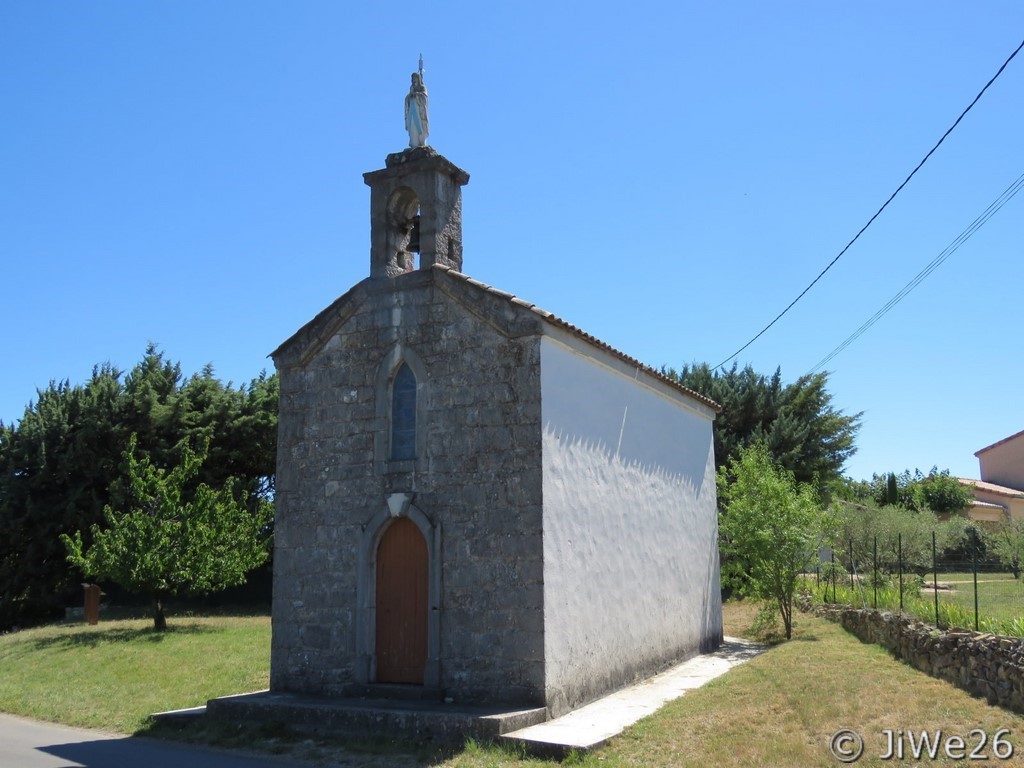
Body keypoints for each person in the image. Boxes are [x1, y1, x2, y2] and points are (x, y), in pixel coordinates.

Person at [405, 72, 429, 148]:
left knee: (420, 126)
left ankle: (421, 141)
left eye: (415, 78)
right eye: (412, 79)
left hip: (419, 111)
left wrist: (417, 95)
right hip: (412, 110)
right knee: (412, 126)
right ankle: (414, 143)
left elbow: (424, 97)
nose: (413, 80)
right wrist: (409, 96)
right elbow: (407, 99)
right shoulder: (411, 88)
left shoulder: (422, 87)